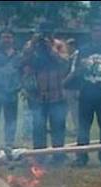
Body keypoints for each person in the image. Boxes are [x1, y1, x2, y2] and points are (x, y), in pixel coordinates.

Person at [68, 20, 101, 167]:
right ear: (91, 33)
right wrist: (77, 88)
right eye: (94, 30)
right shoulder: (83, 50)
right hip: (86, 94)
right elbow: (77, 72)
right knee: (83, 127)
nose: (97, 33)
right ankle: (81, 157)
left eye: (100, 30)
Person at [21, 23, 70, 165]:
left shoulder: (59, 45)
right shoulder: (31, 45)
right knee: (38, 127)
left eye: (47, 32)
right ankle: (39, 156)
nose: (45, 35)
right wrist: (34, 44)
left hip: (57, 93)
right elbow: (22, 61)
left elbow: (65, 62)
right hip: (37, 94)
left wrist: (51, 49)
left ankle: (58, 156)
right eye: (42, 32)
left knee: (58, 127)